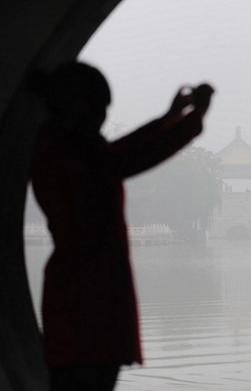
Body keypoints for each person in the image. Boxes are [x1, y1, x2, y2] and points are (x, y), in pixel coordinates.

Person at [29, 61, 214, 391]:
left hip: (76, 296)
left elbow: (117, 152)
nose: (103, 118)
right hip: (91, 302)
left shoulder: (57, 147)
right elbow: (128, 158)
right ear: (81, 106)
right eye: (100, 109)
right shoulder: (71, 155)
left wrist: (170, 117)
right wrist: (193, 119)